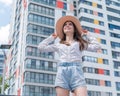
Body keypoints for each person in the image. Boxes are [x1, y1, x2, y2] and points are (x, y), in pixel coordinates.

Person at [38, 16, 101, 96]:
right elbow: (41, 47)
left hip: (77, 72)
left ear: (74, 29)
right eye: (65, 25)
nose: (67, 25)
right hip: (62, 73)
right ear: (63, 30)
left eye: (70, 24)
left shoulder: (79, 43)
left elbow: (97, 46)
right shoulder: (59, 45)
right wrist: (52, 37)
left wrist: (88, 34)